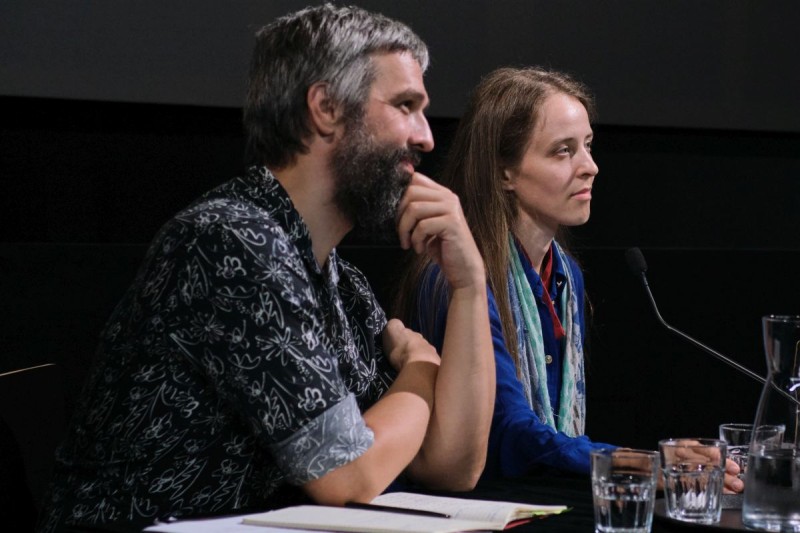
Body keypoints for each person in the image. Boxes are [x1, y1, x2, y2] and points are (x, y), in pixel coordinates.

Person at [36, 5, 494, 532]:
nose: (425, 138)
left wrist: (469, 285)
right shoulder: (232, 241)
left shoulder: (339, 283)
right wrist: (420, 368)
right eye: (405, 106)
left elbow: (452, 467)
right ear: (325, 108)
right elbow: (348, 477)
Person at [394, 67, 744, 492]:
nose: (590, 167)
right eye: (563, 151)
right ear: (504, 172)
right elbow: (509, 434)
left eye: (588, 146)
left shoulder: (566, 275)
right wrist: (642, 465)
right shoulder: (455, 276)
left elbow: (558, 436)